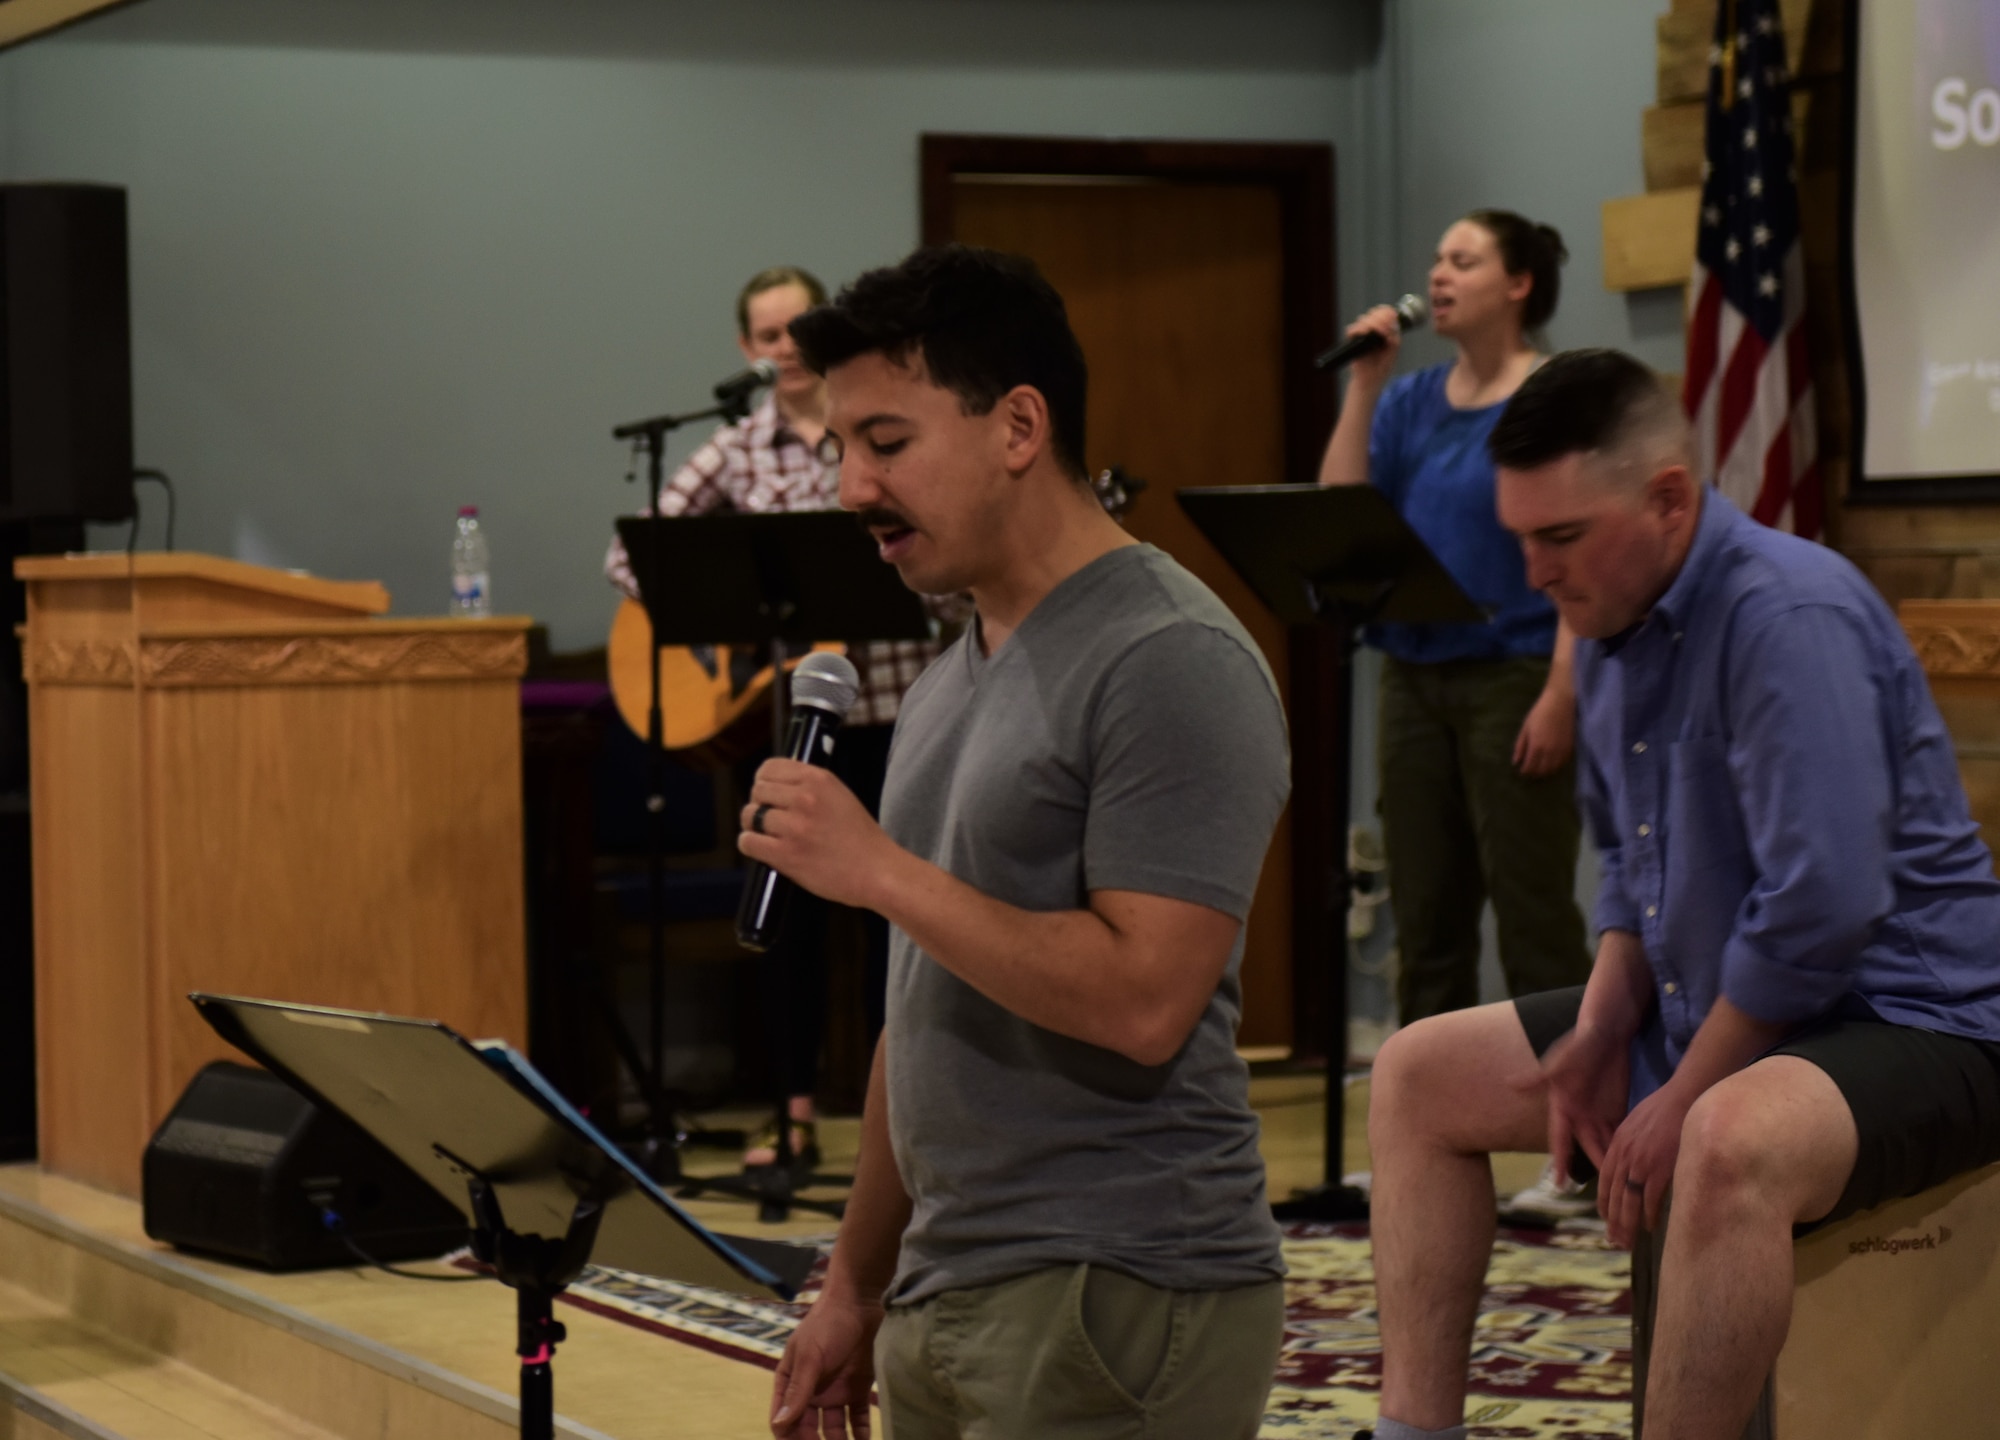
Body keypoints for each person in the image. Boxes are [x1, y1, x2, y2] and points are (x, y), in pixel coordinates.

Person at [1360, 349, 2000, 1440]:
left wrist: (1684, 1083)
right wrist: (1604, 1029)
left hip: (1914, 1017)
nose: (1534, 575)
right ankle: (1414, 1433)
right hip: (1732, 1003)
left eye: (1558, 537)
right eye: (1522, 538)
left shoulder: (1784, 615)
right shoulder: (1610, 625)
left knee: (1720, 1135)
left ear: (1664, 498)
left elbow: (1824, 905)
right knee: (1417, 1073)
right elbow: (1631, 870)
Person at [741, 245, 1292, 1439]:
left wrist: (880, 872)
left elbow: (1146, 997)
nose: (850, 487)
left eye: (885, 444)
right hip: (950, 1292)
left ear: (1018, 426)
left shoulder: (1166, 658)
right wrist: (852, 1286)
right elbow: (919, 1010)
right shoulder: (952, 676)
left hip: (1118, 1286)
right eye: (842, 449)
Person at [606, 265, 938, 1167]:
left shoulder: (873, 433)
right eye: (765, 335)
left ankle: (893, 1122)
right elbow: (636, 555)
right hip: (794, 717)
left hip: (896, 711)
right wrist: (733, 641)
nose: (783, 349)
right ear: (745, 350)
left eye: (798, 330)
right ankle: (792, 1114)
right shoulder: (740, 447)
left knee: (888, 925)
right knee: (787, 920)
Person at [1317, 210, 1591, 1028]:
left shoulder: (1553, 397)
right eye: (1436, 259)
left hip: (1516, 675)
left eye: (1462, 261)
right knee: (1428, 925)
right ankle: (1431, 1132)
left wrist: (1562, 693)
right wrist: (1363, 386)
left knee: (1534, 920)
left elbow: (1577, 553)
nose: (1438, 275)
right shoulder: (1406, 402)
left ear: (1518, 284)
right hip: (1413, 676)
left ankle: (1580, 1143)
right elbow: (1342, 513)